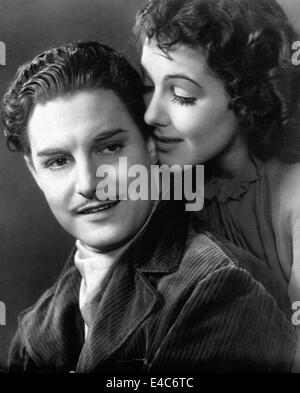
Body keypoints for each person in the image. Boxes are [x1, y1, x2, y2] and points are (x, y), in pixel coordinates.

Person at [1, 41, 296, 373]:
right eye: (58, 161)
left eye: (110, 147)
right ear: (34, 171)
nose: (87, 183)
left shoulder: (219, 286)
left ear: (150, 145)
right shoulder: (37, 328)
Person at [134, 0, 300, 305]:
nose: (151, 115)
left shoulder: (294, 196)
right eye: (148, 88)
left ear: (246, 95)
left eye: (182, 95)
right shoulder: (170, 184)